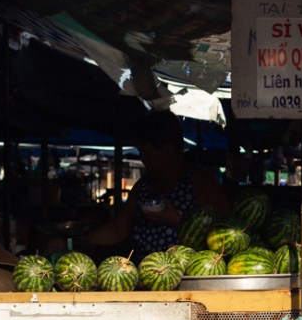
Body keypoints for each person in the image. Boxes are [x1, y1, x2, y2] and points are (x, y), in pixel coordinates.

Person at [86, 109, 229, 255]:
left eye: (147, 153)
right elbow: (118, 228)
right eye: (141, 152)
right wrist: (82, 240)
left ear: (168, 148)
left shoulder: (200, 182)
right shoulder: (143, 186)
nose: (142, 159)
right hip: (145, 272)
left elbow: (223, 235)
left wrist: (178, 221)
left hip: (186, 274)